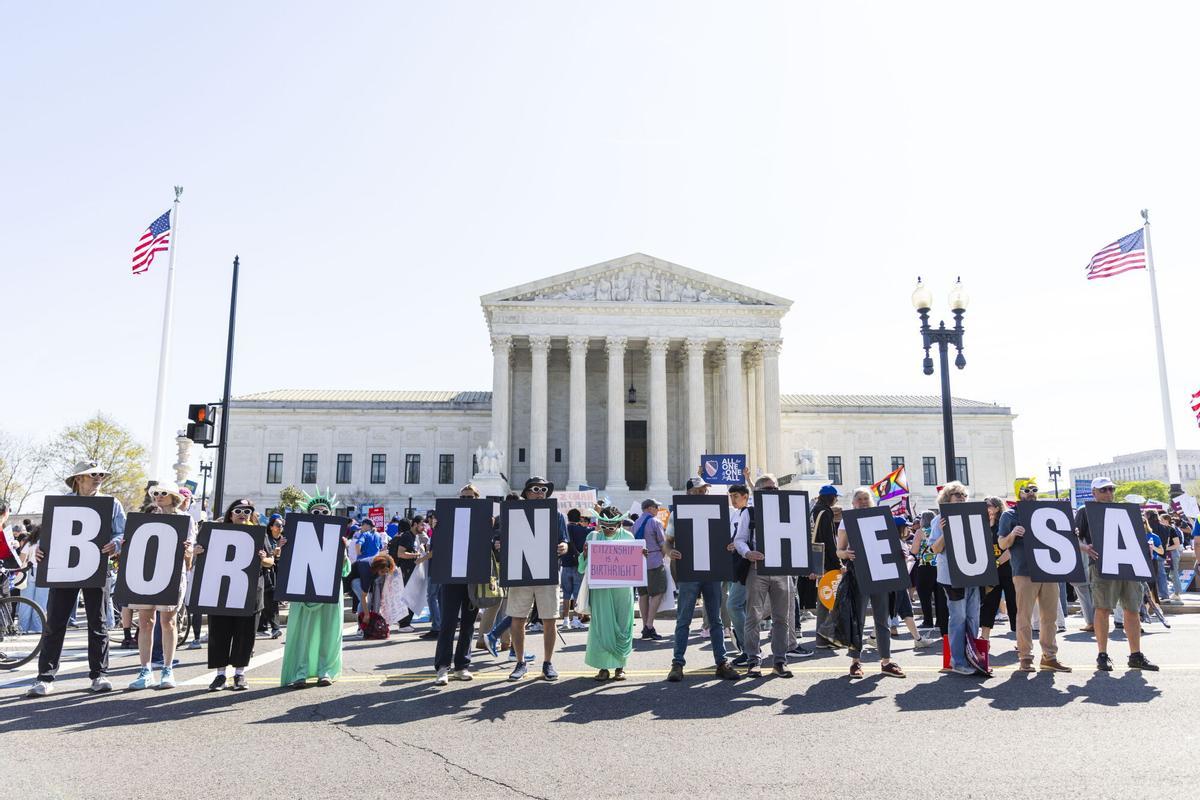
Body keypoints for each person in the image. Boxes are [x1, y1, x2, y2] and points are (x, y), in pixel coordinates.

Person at [27, 461, 126, 697]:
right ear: (78, 478)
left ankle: (99, 675)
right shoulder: (62, 503)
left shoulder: (112, 503)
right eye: (93, 474)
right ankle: (45, 677)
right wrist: (40, 549)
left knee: (98, 621)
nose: (99, 477)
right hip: (63, 567)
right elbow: (49, 533)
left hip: (96, 566)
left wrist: (117, 543)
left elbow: (122, 531)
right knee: (55, 622)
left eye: (101, 474)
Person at [1074, 477, 1158, 672]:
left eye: (1111, 489)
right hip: (1102, 565)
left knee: (1132, 610)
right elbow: (1072, 538)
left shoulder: (1124, 510)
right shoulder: (1085, 512)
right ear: (1094, 492)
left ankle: (1135, 655)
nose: (1109, 493)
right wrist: (1086, 548)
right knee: (1103, 609)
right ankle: (1102, 655)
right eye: (1104, 490)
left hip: (1128, 565)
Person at [664, 477, 740, 682]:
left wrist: (730, 546)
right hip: (689, 570)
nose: (702, 494)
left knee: (715, 619)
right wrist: (671, 552)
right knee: (684, 619)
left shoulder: (718, 509)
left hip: (712, 569)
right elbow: (667, 542)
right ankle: (677, 663)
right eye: (698, 491)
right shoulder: (678, 512)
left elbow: (728, 538)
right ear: (689, 493)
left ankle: (721, 662)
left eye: (704, 490)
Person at [280, 491, 353, 687]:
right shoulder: (297, 536)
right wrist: (283, 547)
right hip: (304, 589)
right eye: (315, 512)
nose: (319, 515)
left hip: (329, 588)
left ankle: (326, 671)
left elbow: (345, 571)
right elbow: (286, 567)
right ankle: (299, 673)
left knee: (329, 631)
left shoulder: (338, 539)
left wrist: (343, 551)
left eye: (324, 512)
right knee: (303, 633)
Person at [126, 483, 195, 690]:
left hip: (172, 574)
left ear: (174, 496)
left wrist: (188, 551)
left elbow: (189, 559)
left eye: (163, 493)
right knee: (145, 621)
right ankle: (145, 670)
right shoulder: (147, 519)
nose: (158, 496)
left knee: (169, 622)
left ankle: (167, 669)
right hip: (147, 574)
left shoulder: (185, 519)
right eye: (155, 493)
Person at [998, 482, 1070, 672]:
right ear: (1019, 493)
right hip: (1023, 571)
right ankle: (1025, 657)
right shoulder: (1010, 515)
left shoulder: (1047, 512)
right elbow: (1002, 543)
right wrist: (1013, 534)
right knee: (1024, 616)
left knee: (1050, 616)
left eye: (1034, 490)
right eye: (1027, 490)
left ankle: (1049, 656)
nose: (1031, 493)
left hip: (1048, 568)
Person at [836, 488, 905, 678]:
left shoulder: (881, 517)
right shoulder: (847, 521)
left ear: (872, 501)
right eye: (859, 499)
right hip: (859, 573)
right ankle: (855, 661)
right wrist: (845, 554)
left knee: (882, 619)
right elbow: (839, 551)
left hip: (880, 572)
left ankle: (886, 661)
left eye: (866, 498)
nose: (863, 501)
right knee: (857, 618)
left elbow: (893, 545)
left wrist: (901, 553)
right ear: (853, 503)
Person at [506, 476, 570, 682]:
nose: (541, 492)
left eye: (544, 489)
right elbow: (502, 537)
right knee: (518, 618)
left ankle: (548, 662)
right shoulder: (514, 513)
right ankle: (520, 662)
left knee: (549, 619)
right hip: (521, 571)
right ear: (526, 492)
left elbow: (564, 540)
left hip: (547, 571)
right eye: (536, 489)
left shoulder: (557, 515)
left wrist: (564, 547)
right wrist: (499, 544)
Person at [201, 498, 269, 690]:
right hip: (222, 590)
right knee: (219, 632)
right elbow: (203, 557)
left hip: (250, 591)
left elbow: (271, 561)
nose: (242, 514)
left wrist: (264, 559)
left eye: (247, 511)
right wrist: (199, 551)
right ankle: (220, 675)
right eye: (238, 510)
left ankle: (239, 674)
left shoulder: (258, 533)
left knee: (245, 634)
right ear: (230, 514)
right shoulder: (217, 532)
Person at [732, 483, 794, 678]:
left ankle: (779, 661)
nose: (770, 495)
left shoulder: (787, 511)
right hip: (756, 568)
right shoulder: (749, 513)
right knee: (753, 616)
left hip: (781, 569)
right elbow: (739, 539)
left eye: (773, 492)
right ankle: (753, 660)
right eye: (766, 492)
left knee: (781, 618)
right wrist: (748, 553)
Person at [433, 484, 486, 686]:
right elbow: (436, 547)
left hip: (472, 578)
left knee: (468, 624)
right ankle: (442, 667)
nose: (466, 501)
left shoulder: (483, 520)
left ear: (477, 499)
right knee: (448, 623)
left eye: (470, 498)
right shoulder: (447, 519)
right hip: (451, 577)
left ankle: (462, 665)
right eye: (463, 497)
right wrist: (437, 528)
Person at [578, 507, 638, 681]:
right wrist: (585, 554)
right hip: (600, 590)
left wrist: (642, 556)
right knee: (601, 627)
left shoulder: (628, 537)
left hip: (622, 590)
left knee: (623, 626)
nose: (608, 530)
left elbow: (636, 567)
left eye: (612, 527)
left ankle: (620, 667)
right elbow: (582, 567)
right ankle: (603, 668)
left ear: (620, 524)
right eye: (604, 526)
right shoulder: (593, 537)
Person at [927, 481, 980, 676]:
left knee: (973, 617)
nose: (961, 497)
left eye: (963, 495)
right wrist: (945, 531)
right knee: (958, 618)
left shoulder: (972, 517)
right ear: (947, 498)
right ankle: (957, 660)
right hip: (951, 576)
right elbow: (935, 549)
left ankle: (971, 655)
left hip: (974, 573)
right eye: (956, 494)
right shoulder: (939, 519)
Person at [978, 496, 1016, 642]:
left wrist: (997, 563)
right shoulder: (983, 525)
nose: (985, 508)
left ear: (997, 508)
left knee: (1014, 605)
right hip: (990, 574)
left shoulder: (1004, 524)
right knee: (988, 605)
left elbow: (1011, 549)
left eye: (988, 505)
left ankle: (1020, 641)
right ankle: (984, 640)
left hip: (1008, 571)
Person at [811, 485, 842, 649]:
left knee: (823, 598)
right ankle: (825, 632)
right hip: (827, 561)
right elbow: (829, 540)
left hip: (817, 560)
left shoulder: (814, 510)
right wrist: (837, 562)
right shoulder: (826, 512)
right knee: (837, 597)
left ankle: (821, 637)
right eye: (836, 497)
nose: (836, 500)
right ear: (831, 497)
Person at [634, 498, 668, 640]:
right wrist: (664, 556)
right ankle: (649, 625)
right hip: (654, 561)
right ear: (649, 508)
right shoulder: (655, 522)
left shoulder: (636, 522)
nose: (657, 509)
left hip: (639, 562)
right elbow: (663, 543)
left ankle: (645, 625)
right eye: (655, 507)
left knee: (643, 595)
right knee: (658, 592)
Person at [560, 508, 590, 630]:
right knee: (578, 594)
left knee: (566, 595)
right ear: (579, 519)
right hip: (578, 565)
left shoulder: (563, 529)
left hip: (565, 564)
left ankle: (566, 620)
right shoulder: (583, 530)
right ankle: (576, 620)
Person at [257, 514, 284, 638]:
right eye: (278, 525)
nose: (280, 527)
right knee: (270, 599)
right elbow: (268, 557)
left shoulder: (283, 540)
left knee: (268, 600)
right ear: (271, 526)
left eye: (282, 525)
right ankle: (275, 628)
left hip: (279, 573)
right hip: (267, 573)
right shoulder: (266, 539)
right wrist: (275, 553)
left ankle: (262, 627)